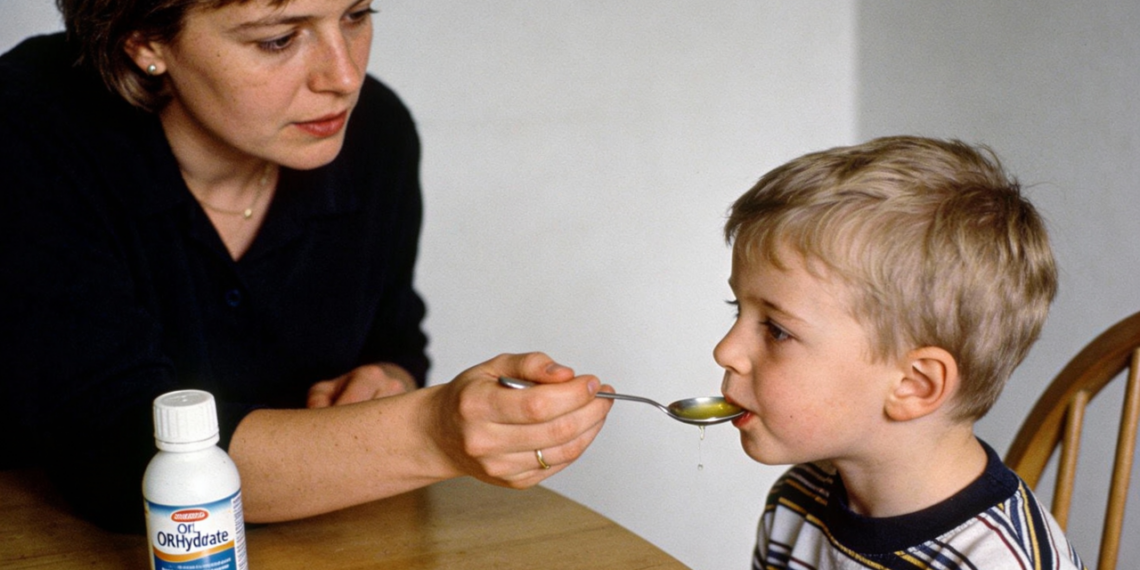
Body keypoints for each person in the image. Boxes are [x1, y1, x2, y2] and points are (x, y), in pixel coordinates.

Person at [0, 0, 612, 532]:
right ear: (144, 41)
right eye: (278, 39)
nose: (343, 77)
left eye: (356, 15)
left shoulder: (375, 134)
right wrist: (428, 432)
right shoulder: (26, 124)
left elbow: (395, 338)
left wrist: (387, 380)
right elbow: (117, 458)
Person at [714, 136, 1086, 569]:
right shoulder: (796, 500)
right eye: (738, 309)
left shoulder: (1001, 563)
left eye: (777, 331)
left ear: (914, 384)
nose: (725, 351)